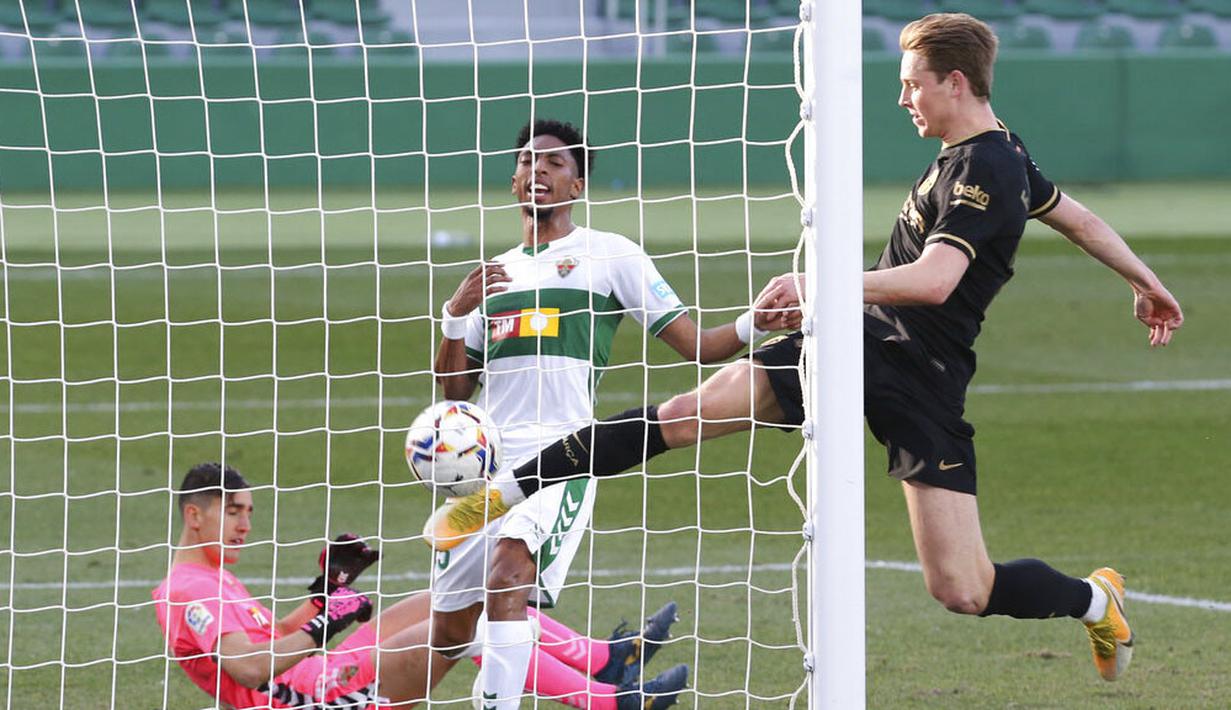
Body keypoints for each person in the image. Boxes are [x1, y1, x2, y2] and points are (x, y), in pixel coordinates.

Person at [432, 14, 1185, 684]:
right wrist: (1146, 280)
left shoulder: (989, 164)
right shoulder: (992, 153)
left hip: (920, 376)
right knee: (687, 413)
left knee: (963, 589)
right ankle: (505, 492)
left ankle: (1094, 600)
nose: (902, 99)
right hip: (852, 343)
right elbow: (1078, 219)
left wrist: (819, 283)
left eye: (911, 84)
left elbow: (933, 281)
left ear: (953, 82)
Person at [425, 117, 792, 709]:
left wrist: (753, 323)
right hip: (482, 467)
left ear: (577, 187)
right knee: (449, 633)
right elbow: (451, 392)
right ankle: (605, 665)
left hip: (563, 454)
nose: (537, 169)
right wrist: (453, 313)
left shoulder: (609, 256)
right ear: (513, 181)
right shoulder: (488, 277)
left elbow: (698, 345)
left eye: (555, 163)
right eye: (527, 160)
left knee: (507, 577)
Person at [154, 462, 688, 709]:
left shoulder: (212, 575)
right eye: (233, 512)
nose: (246, 524)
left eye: (249, 511)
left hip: (312, 674)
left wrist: (327, 593)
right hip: (308, 697)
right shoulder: (187, 590)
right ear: (193, 515)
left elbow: (271, 640)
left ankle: (604, 658)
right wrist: (324, 625)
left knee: (452, 599)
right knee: (466, 628)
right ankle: (610, 703)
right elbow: (248, 669)